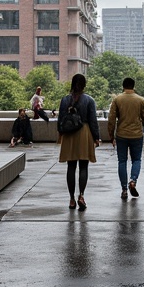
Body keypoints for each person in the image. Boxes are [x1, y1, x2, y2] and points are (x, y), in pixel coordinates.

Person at [57, 73, 101, 210]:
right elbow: (93, 121)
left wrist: (60, 134)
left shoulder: (65, 100)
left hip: (69, 135)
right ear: (84, 85)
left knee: (71, 167)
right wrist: (96, 137)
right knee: (83, 166)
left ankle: (71, 199)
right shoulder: (89, 100)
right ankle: (81, 196)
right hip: (84, 133)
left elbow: (60, 119)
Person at [107, 77, 144, 200]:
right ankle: (133, 180)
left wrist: (111, 135)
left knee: (122, 161)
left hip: (121, 134)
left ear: (123, 86)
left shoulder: (117, 99)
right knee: (136, 160)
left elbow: (111, 119)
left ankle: (124, 189)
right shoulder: (140, 100)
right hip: (136, 135)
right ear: (133, 86)